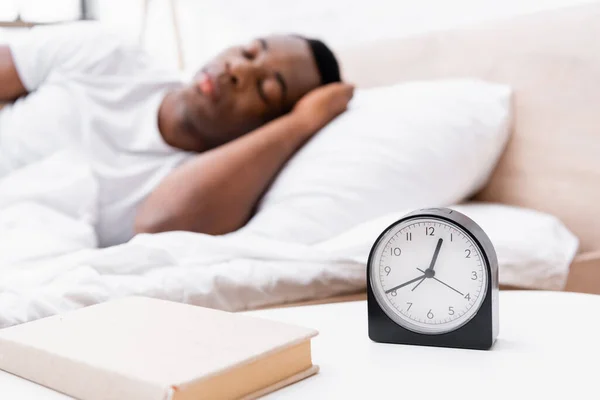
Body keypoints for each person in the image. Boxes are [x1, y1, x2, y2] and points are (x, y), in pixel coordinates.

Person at [0, 22, 354, 247]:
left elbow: (156, 227)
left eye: (265, 88)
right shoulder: (107, 53)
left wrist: (301, 123)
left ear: (269, 124)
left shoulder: (205, 183)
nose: (238, 70)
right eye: (249, 51)